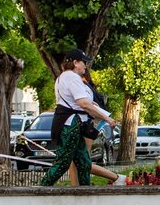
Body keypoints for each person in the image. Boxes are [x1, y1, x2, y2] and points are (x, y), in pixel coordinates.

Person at [41, 49, 117, 186]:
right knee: (63, 163)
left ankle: (85, 192)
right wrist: (107, 118)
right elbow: (82, 103)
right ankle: (40, 190)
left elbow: (79, 102)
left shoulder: (63, 77)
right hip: (71, 124)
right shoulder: (72, 77)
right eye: (84, 62)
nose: (85, 66)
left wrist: (90, 103)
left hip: (71, 124)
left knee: (84, 162)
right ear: (75, 63)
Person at [67, 65, 126, 186]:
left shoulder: (82, 86)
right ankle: (76, 187)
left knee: (80, 160)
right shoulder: (87, 86)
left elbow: (86, 105)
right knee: (77, 160)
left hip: (88, 124)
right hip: (91, 124)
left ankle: (117, 178)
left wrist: (106, 118)